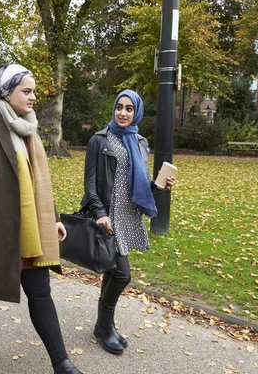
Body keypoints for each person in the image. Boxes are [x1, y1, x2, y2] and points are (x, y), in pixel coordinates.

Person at [0, 64, 82, 374]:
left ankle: (62, 363)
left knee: (40, 292)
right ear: (5, 92)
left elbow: (36, 178)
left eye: (33, 91)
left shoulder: (27, 126)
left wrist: (52, 217)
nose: (33, 97)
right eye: (26, 91)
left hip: (30, 229)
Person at [81, 90, 174, 355]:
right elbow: (90, 185)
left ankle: (104, 326)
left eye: (129, 109)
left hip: (128, 216)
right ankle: (103, 326)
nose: (122, 113)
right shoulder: (100, 140)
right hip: (108, 217)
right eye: (119, 107)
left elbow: (139, 184)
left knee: (113, 271)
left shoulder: (140, 141)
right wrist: (99, 212)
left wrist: (157, 187)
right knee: (122, 274)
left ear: (137, 113)